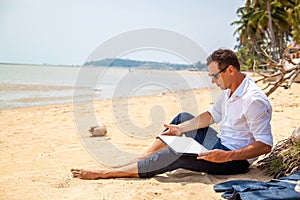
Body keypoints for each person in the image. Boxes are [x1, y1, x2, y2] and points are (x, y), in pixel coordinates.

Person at [71, 49, 273, 179]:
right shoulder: (229, 91)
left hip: (233, 161)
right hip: (220, 144)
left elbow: (265, 145)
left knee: (178, 153)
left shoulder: (253, 100)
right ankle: (142, 158)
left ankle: (107, 173)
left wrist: (226, 156)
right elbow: (212, 115)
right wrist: (180, 129)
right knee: (181, 119)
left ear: (230, 70)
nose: (213, 81)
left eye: (214, 76)